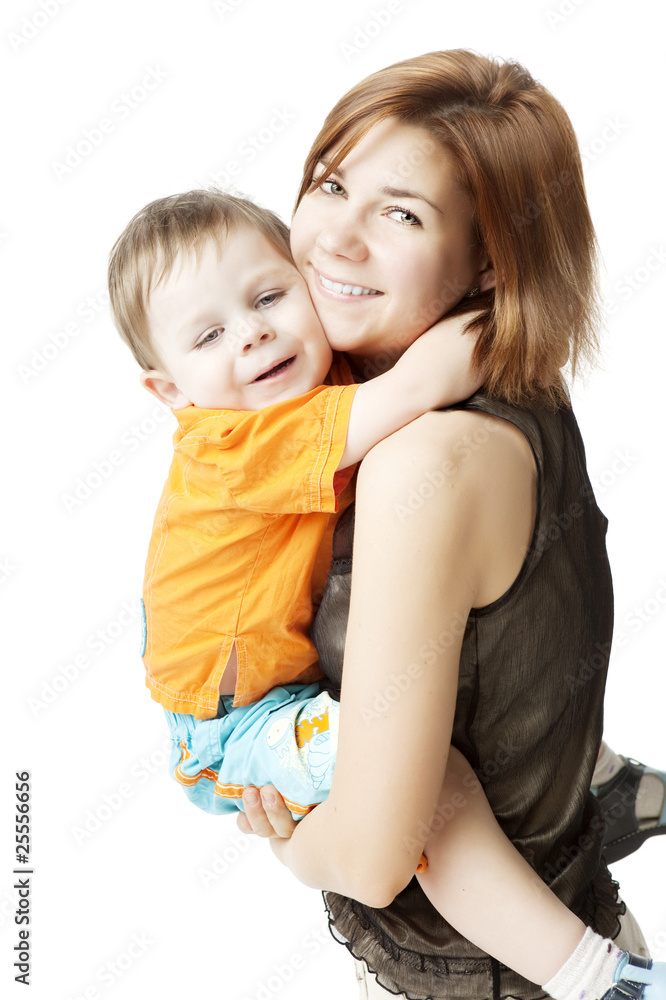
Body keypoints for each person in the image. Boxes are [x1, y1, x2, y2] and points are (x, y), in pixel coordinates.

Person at [108, 186, 664, 1000]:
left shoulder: (309, 381)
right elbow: (417, 386)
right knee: (423, 785)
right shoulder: (238, 440)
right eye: (210, 335)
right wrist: (507, 297)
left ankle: (588, 779)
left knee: (455, 701)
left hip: (277, 682)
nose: (255, 331)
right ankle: (597, 979)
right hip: (235, 724)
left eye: (269, 297)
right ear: (171, 392)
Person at [233, 50, 666, 1000]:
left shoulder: (422, 462)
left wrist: (288, 842)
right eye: (332, 184)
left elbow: (378, 856)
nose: (335, 241)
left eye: (401, 213)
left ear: (487, 260)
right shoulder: (492, 377)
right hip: (557, 918)